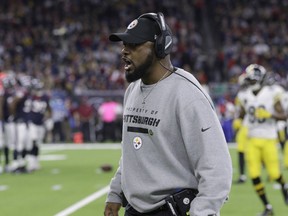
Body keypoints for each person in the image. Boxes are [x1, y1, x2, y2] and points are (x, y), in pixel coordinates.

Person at [104, 12, 232, 216]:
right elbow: (131, 152)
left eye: (134, 45)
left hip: (172, 210)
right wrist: (116, 193)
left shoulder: (187, 94)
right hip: (134, 210)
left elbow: (216, 165)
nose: (124, 51)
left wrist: (204, 211)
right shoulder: (132, 90)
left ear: (159, 46)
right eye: (124, 44)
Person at [237, 64, 288, 216]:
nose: (252, 83)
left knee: (274, 173)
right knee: (254, 175)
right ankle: (268, 207)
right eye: (250, 80)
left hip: (268, 138)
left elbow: (284, 115)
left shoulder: (272, 92)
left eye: (254, 80)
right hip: (252, 139)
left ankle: (284, 186)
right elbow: (241, 114)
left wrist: (269, 115)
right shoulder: (244, 94)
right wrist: (238, 120)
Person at [232, 73, 249, 184]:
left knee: (242, 151)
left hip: (246, 125)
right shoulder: (244, 94)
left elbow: (241, 112)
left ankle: (243, 175)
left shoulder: (243, 95)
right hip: (246, 125)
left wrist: (238, 121)